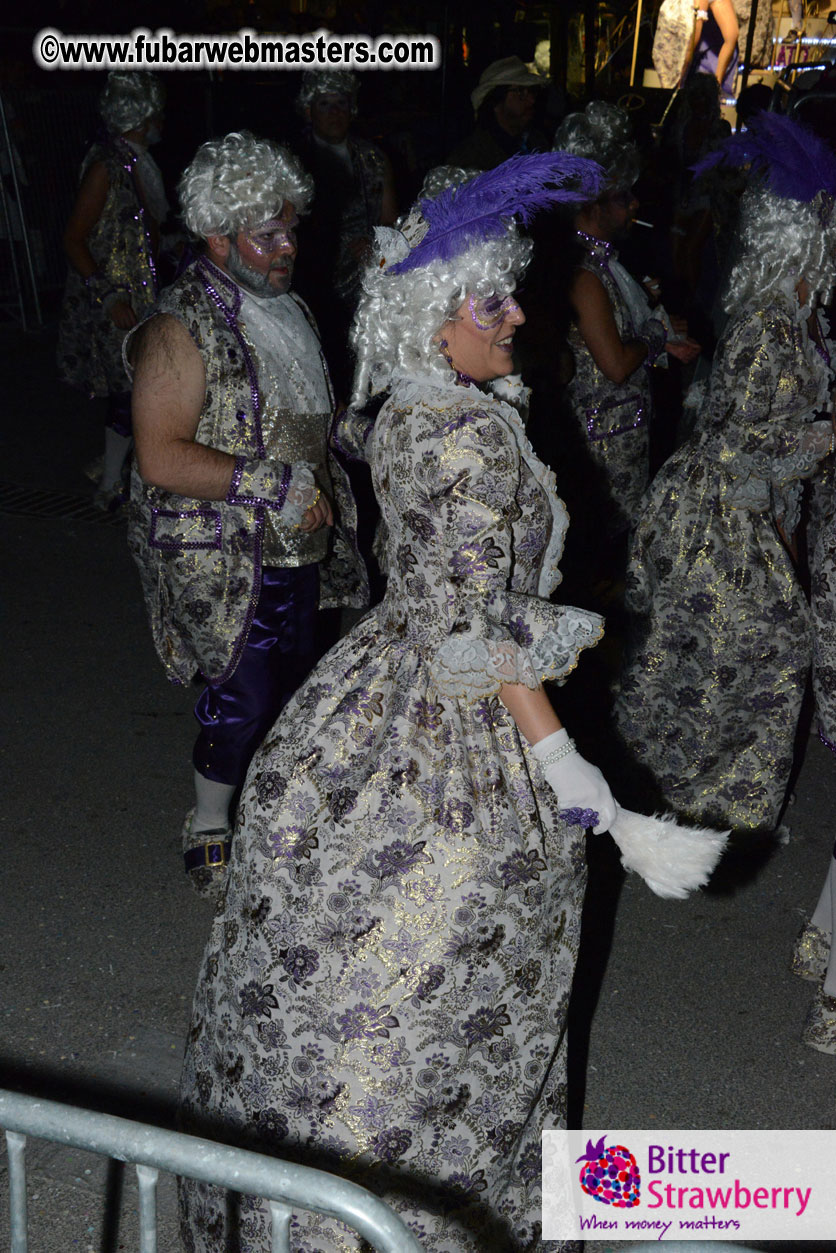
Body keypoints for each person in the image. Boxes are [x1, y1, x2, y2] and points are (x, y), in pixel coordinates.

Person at [178, 150, 616, 1251]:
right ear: (435, 319)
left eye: (509, 295)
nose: (517, 316)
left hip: (377, 687)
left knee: (357, 958)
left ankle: (296, 1208)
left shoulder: (410, 410)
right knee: (449, 960)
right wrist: (560, 758)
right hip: (453, 720)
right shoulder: (462, 433)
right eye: (490, 302)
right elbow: (478, 627)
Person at [127, 131, 367, 900]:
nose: (289, 246)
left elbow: (314, 418)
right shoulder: (178, 327)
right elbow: (160, 456)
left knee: (297, 689)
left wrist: (378, 434)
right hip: (223, 549)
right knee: (244, 696)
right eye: (269, 235)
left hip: (302, 540)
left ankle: (276, 815)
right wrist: (271, 484)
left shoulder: (288, 307)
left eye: (292, 229)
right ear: (217, 236)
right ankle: (208, 822)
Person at [614, 113, 836, 834]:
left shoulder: (804, 317)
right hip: (723, 513)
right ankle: (707, 801)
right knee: (759, 650)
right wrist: (823, 440)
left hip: (763, 503)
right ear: (809, 237)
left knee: (734, 659)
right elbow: (738, 447)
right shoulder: (766, 325)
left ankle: (722, 801)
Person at [554, 102, 699, 550]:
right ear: (591, 204)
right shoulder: (584, 274)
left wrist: (655, 326)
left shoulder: (605, 263)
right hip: (603, 450)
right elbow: (616, 365)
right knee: (608, 554)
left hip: (622, 436)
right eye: (623, 198)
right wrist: (655, 334)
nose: (635, 205)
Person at [57, 71, 165, 510]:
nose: (162, 122)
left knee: (142, 393)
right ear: (143, 116)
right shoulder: (106, 165)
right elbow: (73, 239)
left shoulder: (137, 161)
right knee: (128, 394)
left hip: (143, 299)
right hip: (116, 305)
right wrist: (110, 296)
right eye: (158, 114)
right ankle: (110, 485)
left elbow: (140, 232)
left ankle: (119, 470)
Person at [291, 69, 397, 398]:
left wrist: (378, 246)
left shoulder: (373, 158)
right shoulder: (294, 161)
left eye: (341, 104)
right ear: (309, 110)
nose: (334, 112)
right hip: (314, 286)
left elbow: (391, 221)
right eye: (325, 104)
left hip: (366, 287)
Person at [447, 56, 547, 171]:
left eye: (532, 92)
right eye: (520, 92)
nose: (531, 100)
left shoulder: (537, 143)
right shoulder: (472, 157)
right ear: (496, 100)